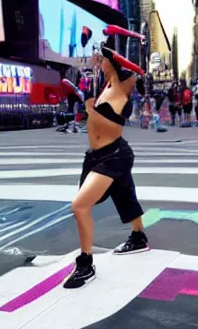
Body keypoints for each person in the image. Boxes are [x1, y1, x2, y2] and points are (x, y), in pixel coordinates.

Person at [63, 46, 149, 289]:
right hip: (99, 155)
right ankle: (139, 236)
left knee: (79, 206)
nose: (98, 62)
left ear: (114, 62)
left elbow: (136, 72)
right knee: (125, 195)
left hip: (113, 156)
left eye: (102, 59)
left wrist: (91, 109)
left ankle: (86, 263)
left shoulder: (124, 85)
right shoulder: (108, 85)